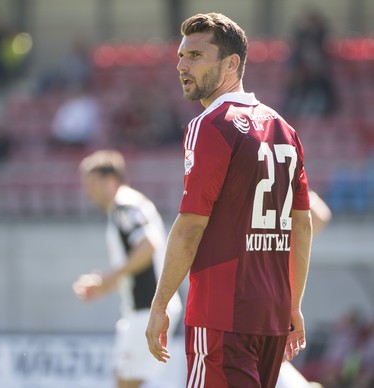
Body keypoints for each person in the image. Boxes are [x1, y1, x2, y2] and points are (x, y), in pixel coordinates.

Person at [145, 13, 313, 388]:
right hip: (270, 316)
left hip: (221, 315)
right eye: (180, 55)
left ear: (231, 63)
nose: (181, 65)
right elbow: (301, 225)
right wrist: (293, 304)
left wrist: (159, 306)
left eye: (195, 56)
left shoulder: (210, 125)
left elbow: (190, 226)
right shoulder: (284, 129)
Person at [74, 149, 182, 388]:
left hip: (147, 309)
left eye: (91, 183)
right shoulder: (127, 205)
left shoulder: (124, 205)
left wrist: (110, 277)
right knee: (126, 379)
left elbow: (147, 245)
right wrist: (105, 285)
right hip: (143, 308)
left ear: (110, 181)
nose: (88, 192)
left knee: (127, 382)